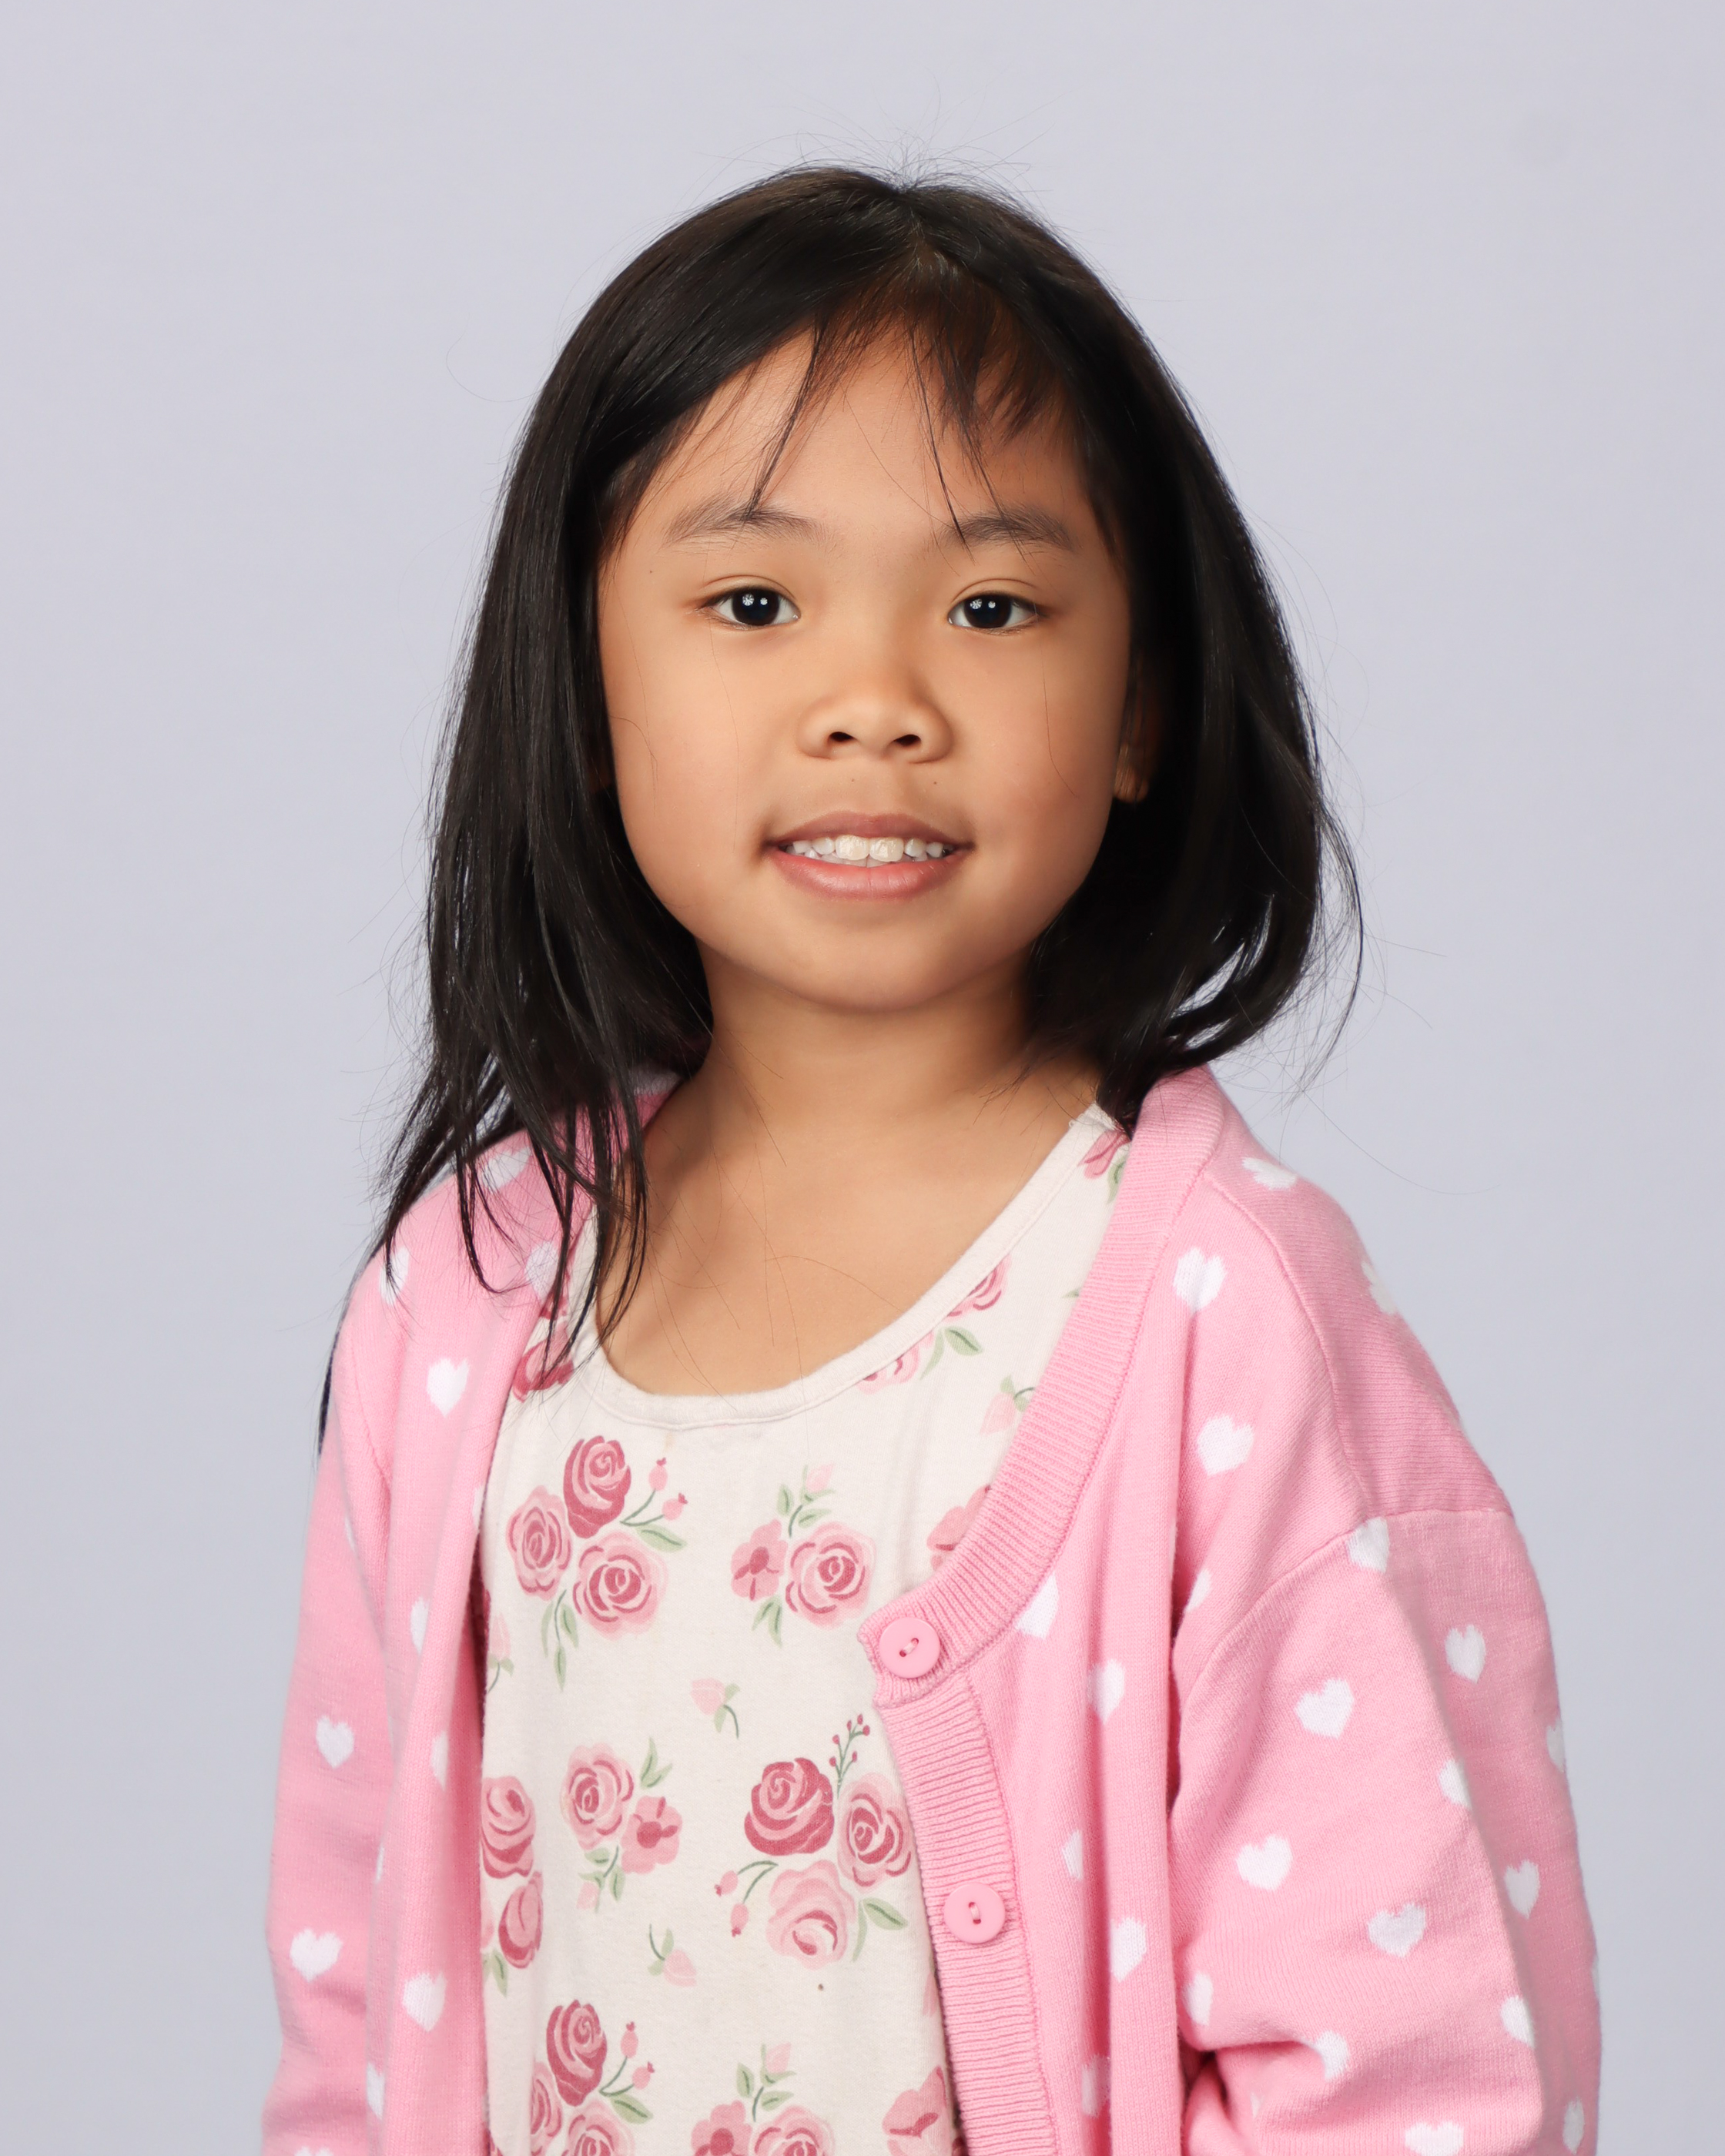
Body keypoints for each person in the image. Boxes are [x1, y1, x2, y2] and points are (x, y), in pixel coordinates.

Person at [262, 168, 1599, 2156]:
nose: (874, 704)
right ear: (589, 685)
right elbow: (357, 2029)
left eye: (991, 608)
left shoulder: (1220, 1324)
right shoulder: (465, 1306)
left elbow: (1416, 2077)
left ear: (1139, 709)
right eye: (752, 603)